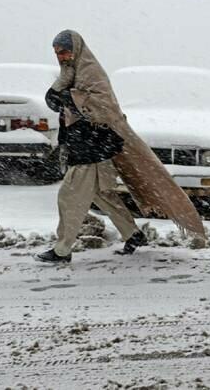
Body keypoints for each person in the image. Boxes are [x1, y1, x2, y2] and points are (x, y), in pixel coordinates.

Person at [35, 31, 148, 263]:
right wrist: (60, 93)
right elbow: (59, 97)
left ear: (76, 49)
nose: (61, 56)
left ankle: (62, 250)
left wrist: (68, 98)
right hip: (88, 145)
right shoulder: (72, 72)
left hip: (91, 146)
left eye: (65, 51)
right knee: (102, 194)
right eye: (57, 52)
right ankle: (133, 234)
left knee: (68, 197)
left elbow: (102, 106)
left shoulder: (91, 72)